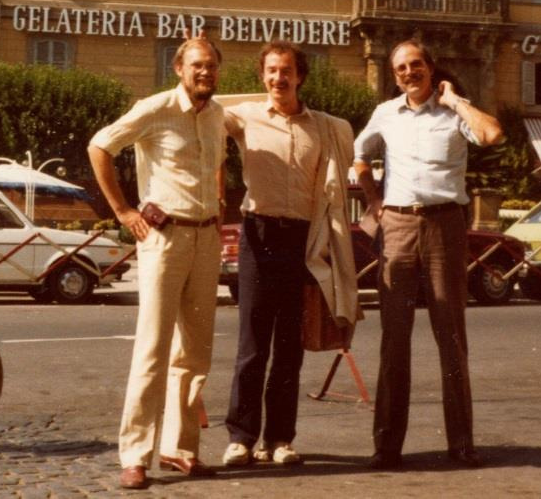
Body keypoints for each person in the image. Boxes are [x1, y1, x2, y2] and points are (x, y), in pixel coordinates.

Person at [352, 39, 504, 470]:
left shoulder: (455, 112)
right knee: (394, 339)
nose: (409, 72)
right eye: (401, 67)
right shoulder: (385, 113)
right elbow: (360, 155)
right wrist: (374, 200)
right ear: (394, 75)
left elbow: (492, 134)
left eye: (416, 64)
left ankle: (462, 443)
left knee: (451, 336)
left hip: (444, 226)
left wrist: (455, 101)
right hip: (398, 226)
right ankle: (387, 447)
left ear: (430, 67)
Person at [88, 36, 227, 490]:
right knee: (153, 348)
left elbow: (217, 165)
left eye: (211, 65)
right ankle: (135, 455)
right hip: (164, 238)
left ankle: (180, 448)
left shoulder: (217, 114)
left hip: (206, 237)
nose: (204, 72)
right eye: (197, 65)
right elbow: (100, 147)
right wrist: (123, 211)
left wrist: (218, 202)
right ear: (179, 69)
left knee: (195, 352)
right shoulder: (155, 109)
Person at [221, 41, 358, 468]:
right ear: (262, 76)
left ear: (300, 76)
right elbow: (199, 113)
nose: (278, 78)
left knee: (288, 347)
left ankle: (280, 439)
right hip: (258, 234)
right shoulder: (243, 116)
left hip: (302, 239)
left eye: (286, 71)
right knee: (252, 344)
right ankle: (241, 438)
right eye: (271, 71)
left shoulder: (325, 128)